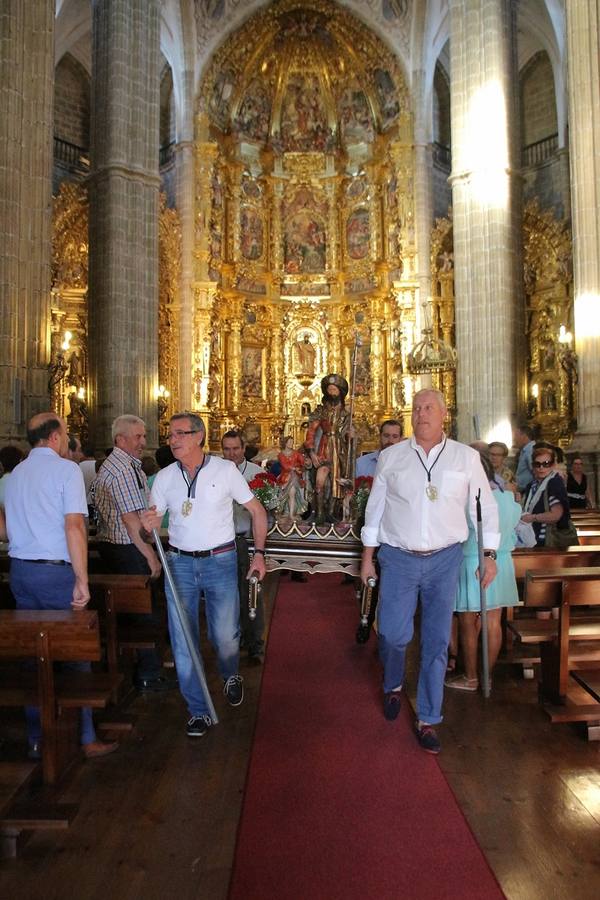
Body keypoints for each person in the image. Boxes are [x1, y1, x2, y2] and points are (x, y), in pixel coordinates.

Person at [360, 389, 499, 755]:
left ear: (443, 414)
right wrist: (367, 557)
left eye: (428, 408)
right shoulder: (391, 457)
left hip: (444, 559)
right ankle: (392, 683)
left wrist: (489, 554)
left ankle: (428, 717)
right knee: (392, 634)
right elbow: (375, 508)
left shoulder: (465, 458)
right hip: (398, 557)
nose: (421, 414)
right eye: (416, 408)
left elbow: (484, 508)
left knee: (436, 641)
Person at [141, 413, 267, 738]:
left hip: (220, 560)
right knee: (183, 638)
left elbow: (257, 511)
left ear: (199, 436)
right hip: (179, 563)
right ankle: (197, 710)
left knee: (224, 635)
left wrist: (259, 554)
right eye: (170, 434)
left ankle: (229, 673)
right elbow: (151, 523)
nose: (173, 440)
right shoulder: (165, 477)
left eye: (180, 434)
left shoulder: (224, 471)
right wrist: (148, 525)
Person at [0, 412, 117, 760]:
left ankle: (37, 737)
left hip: (21, 571)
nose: (67, 439)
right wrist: (82, 578)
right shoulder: (66, 470)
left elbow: (3, 528)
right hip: (55, 573)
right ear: (54, 437)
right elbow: (74, 526)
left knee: (32, 655)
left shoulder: (15, 474)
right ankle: (85, 736)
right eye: (65, 433)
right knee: (75, 653)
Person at [93, 414, 170, 692]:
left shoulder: (122, 464)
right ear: (120, 439)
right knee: (144, 609)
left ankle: (143, 665)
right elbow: (130, 519)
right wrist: (150, 555)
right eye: (138, 437)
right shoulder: (122, 470)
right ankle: (149, 673)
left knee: (138, 608)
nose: (143, 442)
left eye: (144, 435)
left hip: (119, 546)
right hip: (126, 547)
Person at [446, 451, 521, 692]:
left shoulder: (470, 500)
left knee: (468, 622)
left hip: (473, 560)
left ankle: (471, 677)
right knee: (493, 622)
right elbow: (514, 525)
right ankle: (487, 676)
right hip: (502, 561)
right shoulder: (508, 498)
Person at [222, 429, 266, 665]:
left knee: (251, 592)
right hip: (222, 543)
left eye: (236, 449)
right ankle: (231, 640)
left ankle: (254, 643)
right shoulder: (216, 472)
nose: (231, 454)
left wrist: (260, 548)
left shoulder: (256, 473)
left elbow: (265, 511)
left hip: (247, 540)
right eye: (227, 449)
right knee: (226, 594)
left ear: (243, 449)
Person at [304, 374, 354, 524]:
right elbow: (311, 432)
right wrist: (312, 452)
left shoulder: (346, 413)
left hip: (339, 450)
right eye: (329, 390)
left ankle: (331, 512)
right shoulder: (321, 411)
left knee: (336, 483)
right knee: (320, 481)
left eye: (334, 390)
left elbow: (349, 434)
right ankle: (319, 512)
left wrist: (350, 435)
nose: (332, 393)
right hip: (324, 448)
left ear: (340, 392)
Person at [521, 444, 576, 548]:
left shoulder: (554, 483)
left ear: (553, 464)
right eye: (537, 464)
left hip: (550, 540)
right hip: (534, 537)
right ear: (533, 466)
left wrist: (532, 517)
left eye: (546, 464)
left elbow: (556, 515)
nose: (541, 468)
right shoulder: (532, 485)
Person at [276, 435, 309, 522]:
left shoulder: (296, 454)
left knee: (292, 494)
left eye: (292, 442)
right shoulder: (281, 455)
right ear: (285, 443)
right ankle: (287, 512)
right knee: (287, 495)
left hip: (295, 477)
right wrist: (294, 468)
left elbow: (303, 462)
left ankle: (291, 514)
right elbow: (285, 466)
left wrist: (306, 463)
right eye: (289, 442)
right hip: (285, 477)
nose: (291, 444)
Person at [513, 424, 535, 495]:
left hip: (527, 491)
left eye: (516, 435)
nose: (514, 439)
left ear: (524, 436)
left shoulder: (530, 450)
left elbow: (535, 471)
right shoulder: (525, 450)